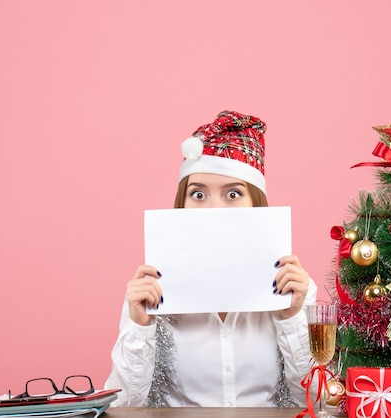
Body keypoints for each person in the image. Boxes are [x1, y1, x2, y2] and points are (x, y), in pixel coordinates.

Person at [105, 110, 318, 407]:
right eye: (198, 194)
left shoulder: (294, 286)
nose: (214, 208)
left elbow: (319, 404)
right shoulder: (149, 288)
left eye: (233, 194)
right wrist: (140, 326)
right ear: (182, 204)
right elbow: (120, 407)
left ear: (256, 204)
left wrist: (291, 318)